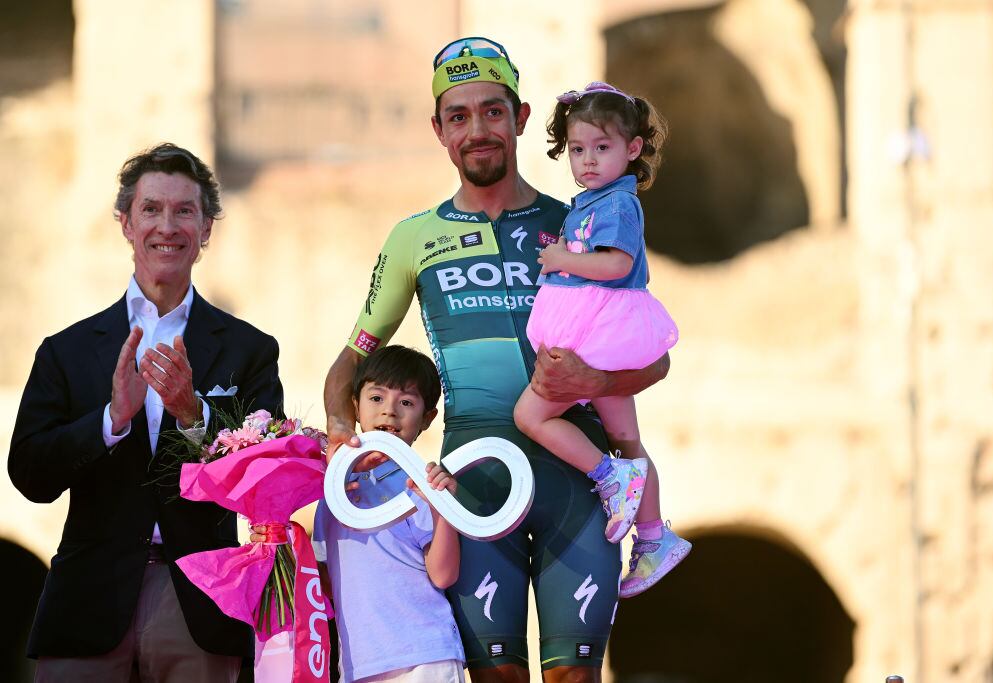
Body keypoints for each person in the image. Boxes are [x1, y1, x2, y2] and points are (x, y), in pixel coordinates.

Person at [323, 37, 669, 681]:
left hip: (578, 479)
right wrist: (348, 439)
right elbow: (348, 365)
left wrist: (595, 380)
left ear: (522, 118)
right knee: (493, 677)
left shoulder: (582, 227)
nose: (477, 129)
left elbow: (656, 359)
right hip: (473, 483)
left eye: (492, 111)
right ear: (439, 130)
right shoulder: (413, 238)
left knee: (574, 675)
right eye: (459, 116)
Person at [8, 143, 284, 682]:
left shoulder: (250, 350)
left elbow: (265, 482)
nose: (168, 225)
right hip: (88, 601)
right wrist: (109, 421)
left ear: (206, 229)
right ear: (126, 224)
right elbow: (29, 473)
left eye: (185, 211)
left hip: (201, 603)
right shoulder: (66, 350)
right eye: (152, 209)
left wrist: (192, 416)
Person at [513, 81, 691, 598]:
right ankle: (654, 537)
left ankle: (607, 478)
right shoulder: (598, 200)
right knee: (628, 441)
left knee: (532, 415)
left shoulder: (615, 205)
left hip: (599, 333)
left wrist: (563, 259)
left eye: (602, 148)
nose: (587, 160)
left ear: (633, 149)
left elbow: (619, 264)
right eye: (577, 150)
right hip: (606, 330)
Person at [316, 344, 464, 682]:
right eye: (376, 398)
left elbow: (443, 575)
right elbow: (324, 574)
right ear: (355, 405)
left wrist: (443, 509)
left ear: (427, 418)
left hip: (426, 657)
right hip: (359, 664)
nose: (389, 412)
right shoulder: (334, 487)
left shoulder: (423, 483)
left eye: (407, 402)